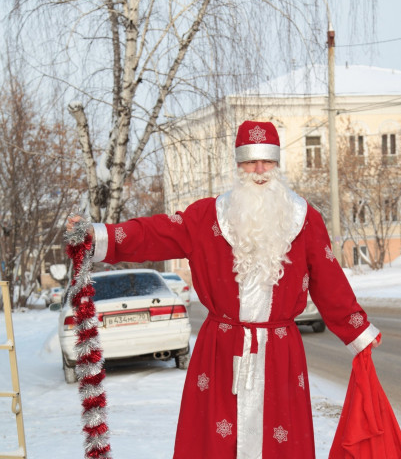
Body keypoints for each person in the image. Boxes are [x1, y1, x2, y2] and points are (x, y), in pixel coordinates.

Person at [67, 120, 380, 459]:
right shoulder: (207, 217)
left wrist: (358, 332)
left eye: (267, 161)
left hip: (280, 354)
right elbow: (155, 233)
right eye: (249, 161)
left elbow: (330, 281)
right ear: (237, 164)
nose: (259, 171)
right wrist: (99, 236)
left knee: (280, 441)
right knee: (215, 443)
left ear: (278, 164)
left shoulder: (305, 220)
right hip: (220, 353)